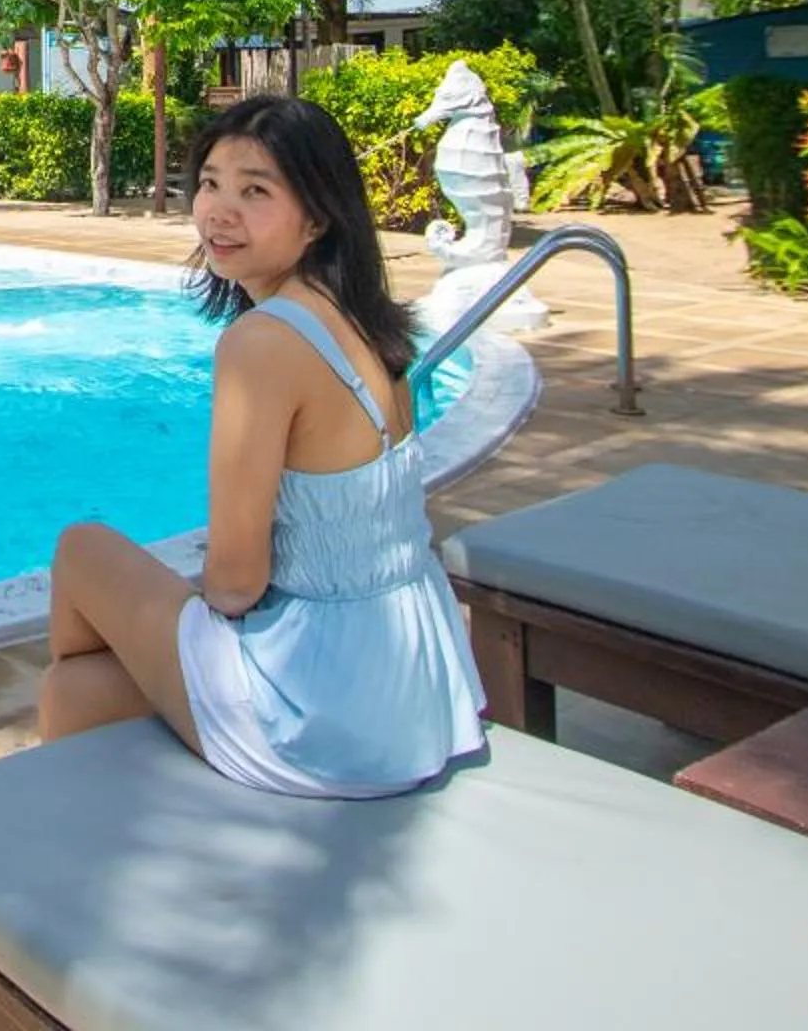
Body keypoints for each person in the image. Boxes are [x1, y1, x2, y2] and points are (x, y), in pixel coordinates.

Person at [37, 94, 487, 797]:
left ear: (317, 215)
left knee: (82, 549)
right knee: (76, 690)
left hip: (324, 708)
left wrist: (176, 615)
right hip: (409, 687)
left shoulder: (263, 343)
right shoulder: (370, 324)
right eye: (210, 183)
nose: (218, 211)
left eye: (255, 191)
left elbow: (235, 584)